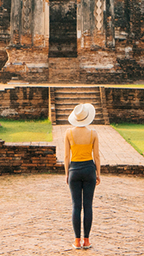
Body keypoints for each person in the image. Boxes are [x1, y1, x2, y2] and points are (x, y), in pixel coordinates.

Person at [64, 103, 101, 250]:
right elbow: (96, 156)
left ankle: (77, 241)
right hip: (89, 170)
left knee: (76, 206)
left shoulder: (68, 133)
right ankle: (86, 240)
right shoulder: (93, 133)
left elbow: (67, 156)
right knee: (88, 206)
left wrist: (67, 173)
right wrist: (98, 173)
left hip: (74, 169)